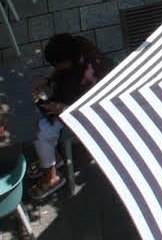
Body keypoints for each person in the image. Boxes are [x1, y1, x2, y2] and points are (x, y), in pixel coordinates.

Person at [28, 33, 113, 199]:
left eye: (58, 64)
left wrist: (64, 108)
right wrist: (47, 79)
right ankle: (53, 157)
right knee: (36, 120)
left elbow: (95, 109)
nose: (56, 67)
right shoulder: (79, 46)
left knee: (39, 132)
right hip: (65, 101)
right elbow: (60, 71)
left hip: (82, 114)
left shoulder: (91, 78)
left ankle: (52, 178)